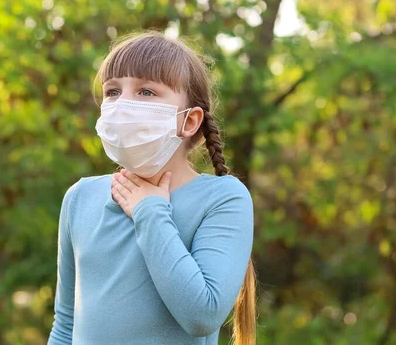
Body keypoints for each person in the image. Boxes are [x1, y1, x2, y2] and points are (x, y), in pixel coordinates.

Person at [48, 29, 256, 345]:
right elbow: (65, 326)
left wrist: (150, 211)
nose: (123, 104)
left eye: (146, 92)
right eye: (113, 92)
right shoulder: (80, 198)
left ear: (189, 121)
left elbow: (202, 314)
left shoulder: (223, 199)